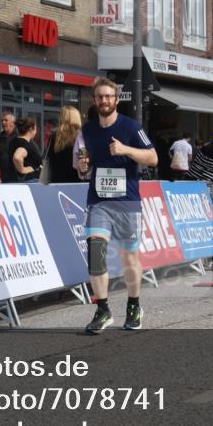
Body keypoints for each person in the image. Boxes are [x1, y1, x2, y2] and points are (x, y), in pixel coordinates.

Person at [76, 78, 158, 334]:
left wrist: (126, 149)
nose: (104, 101)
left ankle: (134, 306)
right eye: (100, 97)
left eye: (108, 97)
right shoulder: (87, 131)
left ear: (116, 100)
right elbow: (84, 164)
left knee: (128, 257)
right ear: (94, 100)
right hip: (99, 200)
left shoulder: (131, 127)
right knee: (95, 252)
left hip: (126, 202)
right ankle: (102, 309)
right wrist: (83, 167)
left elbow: (153, 158)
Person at [45, 105, 81, 183]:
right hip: (76, 182)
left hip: (56, 181)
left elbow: (49, 157)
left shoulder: (54, 136)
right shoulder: (80, 136)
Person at [3, 116, 42, 183]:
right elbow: (17, 157)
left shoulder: (14, 141)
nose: (36, 131)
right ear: (31, 129)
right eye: (35, 128)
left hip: (16, 180)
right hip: (29, 181)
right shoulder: (24, 144)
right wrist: (22, 170)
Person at [0, 112, 17, 184]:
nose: (3, 122)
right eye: (2, 121)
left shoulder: (20, 136)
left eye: (6, 120)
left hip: (20, 180)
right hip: (4, 179)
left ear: (13, 122)